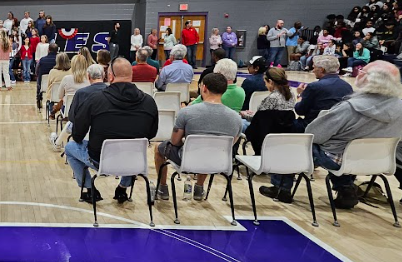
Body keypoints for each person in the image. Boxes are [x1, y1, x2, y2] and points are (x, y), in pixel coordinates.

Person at [265, 61, 402, 209]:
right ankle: (345, 189)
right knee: (342, 150)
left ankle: (281, 189)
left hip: (340, 158)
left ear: (368, 80)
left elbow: (314, 134)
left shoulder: (350, 107)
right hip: (380, 160)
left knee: (294, 144)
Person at [66, 58, 159, 203]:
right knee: (132, 144)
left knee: (70, 147)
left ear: (110, 76)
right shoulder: (149, 101)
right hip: (133, 161)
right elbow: (151, 134)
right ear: (131, 75)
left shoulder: (95, 100)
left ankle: (90, 189)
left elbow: (77, 134)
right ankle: (123, 188)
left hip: (101, 160)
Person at [154, 73, 242, 201]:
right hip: (218, 161)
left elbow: (174, 141)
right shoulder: (236, 118)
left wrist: (187, 142)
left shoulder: (187, 112)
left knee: (158, 148)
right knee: (210, 148)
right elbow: (231, 144)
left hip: (188, 160)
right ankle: (199, 187)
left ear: (204, 88)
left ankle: (162, 188)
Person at [293, 55, 353, 131]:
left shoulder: (314, 86)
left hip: (313, 127)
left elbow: (300, 111)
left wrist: (300, 95)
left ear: (321, 69)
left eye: (314, 67)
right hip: (339, 127)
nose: (313, 70)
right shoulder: (347, 86)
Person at [240, 67, 296, 132]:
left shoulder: (272, 98)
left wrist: (245, 115)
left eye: (265, 82)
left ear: (271, 82)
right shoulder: (291, 93)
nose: (265, 85)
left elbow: (258, 120)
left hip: (267, 131)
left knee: (240, 122)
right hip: (285, 130)